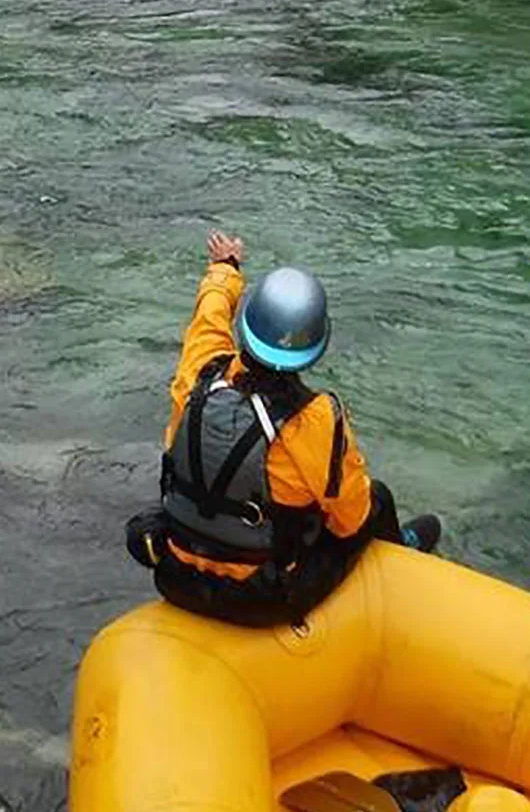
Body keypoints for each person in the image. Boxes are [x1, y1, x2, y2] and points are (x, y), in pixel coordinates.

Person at [125, 231, 441, 628]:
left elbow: (209, 316)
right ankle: (398, 564)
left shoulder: (200, 373)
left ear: (249, 326)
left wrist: (225, 268)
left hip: (177, 577)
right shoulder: (317, 419)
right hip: (262, 596)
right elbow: (351, 519)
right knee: (379, 500)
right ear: (313, 345)